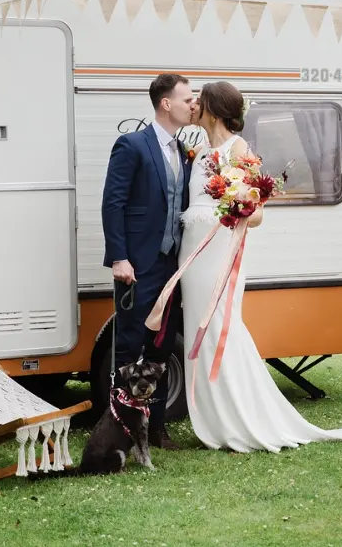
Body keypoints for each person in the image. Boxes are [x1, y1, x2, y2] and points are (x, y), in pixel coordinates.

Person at [178, 81, 342, 452]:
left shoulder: (238, 148)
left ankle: (240, 415)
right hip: (193, 253)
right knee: (199, 327)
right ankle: (214, 415)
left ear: (213, 109)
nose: (194, 104)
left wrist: (238, 207)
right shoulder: (199, 153)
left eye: (201, 101)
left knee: (220, 326)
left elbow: (257, 214)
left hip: (219, 252)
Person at [101, 72, 195, 451]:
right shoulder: (132, 145)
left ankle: (156, 430)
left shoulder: (184, 151)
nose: (194, 105)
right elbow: (114, 203)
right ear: (166, 103)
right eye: (187, 99)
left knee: (160, 349)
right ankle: (119, 430)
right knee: (129, 347)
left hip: (173, 265)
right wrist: (119, 257)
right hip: (138, 265)